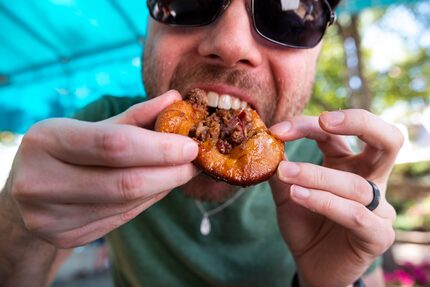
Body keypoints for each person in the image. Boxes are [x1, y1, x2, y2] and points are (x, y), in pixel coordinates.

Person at [0, 0, 403, 286]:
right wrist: (17, 220)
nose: (231, 46)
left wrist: (328, 284)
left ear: (319, 49)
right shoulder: (99, 131)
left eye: (286, 12)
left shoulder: (329, 169)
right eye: (189, 0)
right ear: (149, 25)